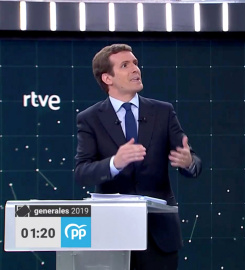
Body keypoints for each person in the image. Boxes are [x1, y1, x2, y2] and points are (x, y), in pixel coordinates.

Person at [75, 44, 202, 270]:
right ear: (107, 78)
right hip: (112, 234)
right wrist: (115, 163)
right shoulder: (90, 118)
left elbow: (192, 161)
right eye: (125, 65)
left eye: (135, 63)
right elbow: (82, 173)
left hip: (158, 235)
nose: (135, 69)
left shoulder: (163, 112)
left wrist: (188, 161)